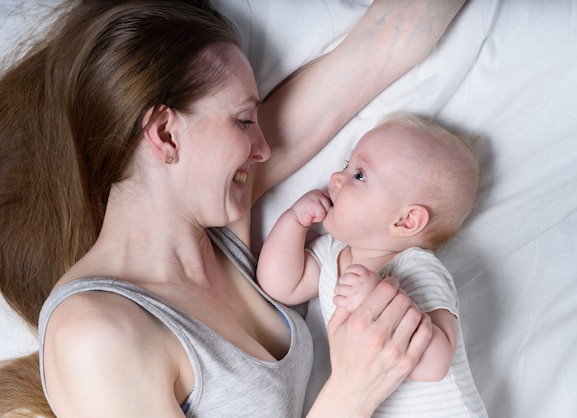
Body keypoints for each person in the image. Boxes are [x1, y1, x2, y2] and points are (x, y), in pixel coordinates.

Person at [0, 0, 467, 416]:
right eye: (244, 120)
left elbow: (386, 41)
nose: (263, 148)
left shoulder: (223, 231)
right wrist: (352, 392)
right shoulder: (94, 336)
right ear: (164, 134)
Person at [258, 113, 487, 417]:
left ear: (405, 221)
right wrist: (294, 221)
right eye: (346, 166)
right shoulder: (332, 254)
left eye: (360, 175)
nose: (337, 178)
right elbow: (280, 285)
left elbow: (437, 363)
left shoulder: (417, 270)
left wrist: (374, 297)